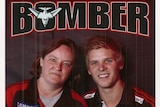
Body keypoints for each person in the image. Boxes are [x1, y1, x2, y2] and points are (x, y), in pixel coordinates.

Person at [6, 38, 88, 107]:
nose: (58, 67)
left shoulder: (78, 103)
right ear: (41, 61)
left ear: (71, 69)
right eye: (53, 60)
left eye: (66, 64)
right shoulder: (12, 93)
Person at [82, 36, 155, 107]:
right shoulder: (82, 103)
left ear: (120, 63)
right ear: (89, 69)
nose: (101, 68)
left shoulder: (147, 104)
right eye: (94, 63)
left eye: (108, 61)